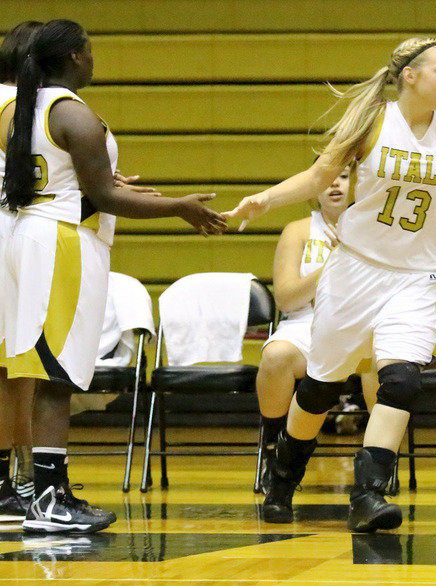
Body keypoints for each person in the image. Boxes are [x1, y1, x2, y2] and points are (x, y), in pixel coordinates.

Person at [224, 36, 436, 532]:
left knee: (401, 379)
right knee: (320, 388)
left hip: (418, 275)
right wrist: (262, 201)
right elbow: (317, 177)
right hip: (355, 270)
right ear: (411, 75)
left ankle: (368, 493)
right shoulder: (373, 122)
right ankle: (283, 477)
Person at [1, 19, 225, 534]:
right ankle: (50, 498)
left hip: (24, 235)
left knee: (35, 367)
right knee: (58, 372)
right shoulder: (72, 113)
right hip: (62, 241)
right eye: (90, 50)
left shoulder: (20, 107)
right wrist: (177, 207)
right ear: (76, 56)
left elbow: (58, 179)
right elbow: (101, 196)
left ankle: (30, 493)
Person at [256, 165, 379, 480]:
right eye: (327, 178)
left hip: (362, 325)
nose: (335, 184)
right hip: (305, 325)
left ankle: (380, 462)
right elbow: (285, 299)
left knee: (382, 358)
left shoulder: (378, 227)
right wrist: (334, 263)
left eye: (344, 176)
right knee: (275, 356)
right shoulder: (297, 231)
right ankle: (275, 449)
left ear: (358, 183)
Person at [0, 20, 43, 523]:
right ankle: (30, 477)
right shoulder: (18, 107)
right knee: (21, 369)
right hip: (13, 236)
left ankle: (23, 477)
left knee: (14, 370)